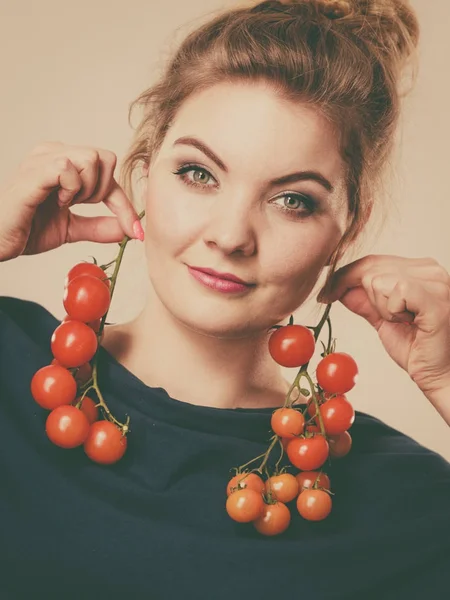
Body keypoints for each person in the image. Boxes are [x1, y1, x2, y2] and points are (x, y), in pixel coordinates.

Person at [0, 0, 449, 598]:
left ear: (347, 230)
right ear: (144, 172)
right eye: (199, 173)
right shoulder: (11, 366)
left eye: (293, 200)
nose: (231, 235)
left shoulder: (400, 498)